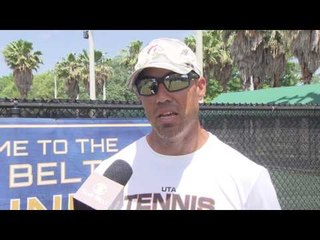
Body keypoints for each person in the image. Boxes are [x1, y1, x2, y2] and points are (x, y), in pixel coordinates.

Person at [92, 38, 281, 210]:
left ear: (200, 88)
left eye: (175, 81)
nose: (161, 97)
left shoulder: (248, 177)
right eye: (148, 85)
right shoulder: (106, 177)